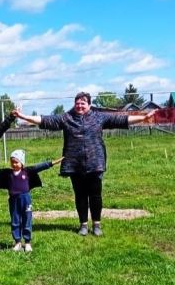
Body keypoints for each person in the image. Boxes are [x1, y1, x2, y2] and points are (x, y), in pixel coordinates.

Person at [13, 92, 155, 236]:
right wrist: (23, 116)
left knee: (95, 195)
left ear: (89, 105)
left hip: (95, 163)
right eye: (77, 103)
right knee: (80, 195)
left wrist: (143, 118)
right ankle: (83, 225)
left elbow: (121, 119)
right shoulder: (66, 118)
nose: (79, 106)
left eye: (83, 103)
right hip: (74, 164)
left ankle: (97, 224)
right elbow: (45, 120)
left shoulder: (99, 117)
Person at [0, 150, 62, 252]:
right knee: (15, 221)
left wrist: (54, 162)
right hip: (13, 200)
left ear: (22, 162)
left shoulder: (27, 171)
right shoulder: (8, 173)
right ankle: (17, 242)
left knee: (26, 220)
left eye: (16, 162)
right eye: (12, 162)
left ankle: (27, 242)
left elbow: (41, 166)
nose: (14, 164)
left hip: (25, 199)